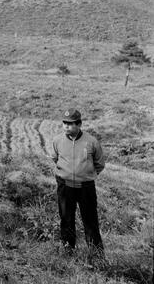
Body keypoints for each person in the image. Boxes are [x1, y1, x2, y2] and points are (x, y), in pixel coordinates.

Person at [50, 108, 105, 261]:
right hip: (65, 187)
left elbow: (99, 164)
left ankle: (96, 256)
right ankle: (68, 252)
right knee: (66, 219)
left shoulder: (92, 142)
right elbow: (55, 158)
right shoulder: (57, 140)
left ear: (79, 124)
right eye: (64, 123)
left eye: (70, 123)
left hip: (86, 188)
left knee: (90, 221)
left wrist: (85, 175)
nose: (66, 126)